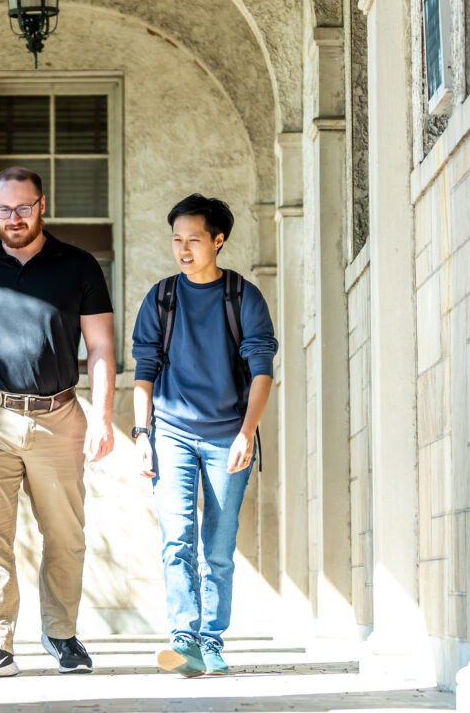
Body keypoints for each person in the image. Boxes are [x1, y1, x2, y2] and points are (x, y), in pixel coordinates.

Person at [0, 166, 116, 678]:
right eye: (4, 210)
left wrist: (101, 416)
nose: (14, 219)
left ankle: (61, 634)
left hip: (58, 415)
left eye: (24, 207)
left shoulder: (79, 266)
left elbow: (100, 346)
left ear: (42, 205)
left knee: (65, 534)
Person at [130, 193, 277, 677]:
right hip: (170, 432)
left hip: (227, 436)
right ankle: (184, 637)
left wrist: (247, 433)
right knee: (176, 537)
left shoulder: (243, 297)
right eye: (177, 239)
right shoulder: (162, 298)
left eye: (194, 239)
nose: (184, 248)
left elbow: (262, 371)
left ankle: (211, 639)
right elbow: (144, 369)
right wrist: (142, 433)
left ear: (218, 240)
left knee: (217, 543)